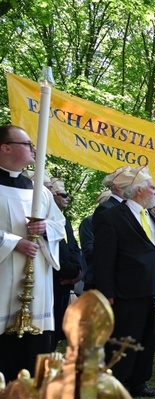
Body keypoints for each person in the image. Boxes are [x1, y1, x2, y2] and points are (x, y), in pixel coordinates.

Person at [94, 166, 155, 397]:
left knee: (147, 340)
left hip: (153, 289)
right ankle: (117, 386)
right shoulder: (109, 216)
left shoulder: (152, 216)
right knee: (123, 342)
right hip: (126, 292)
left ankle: (139, 382)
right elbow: (103, 258)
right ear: (139, 190)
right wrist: (106, 291)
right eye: (152, 187)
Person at [0, 125, 65, 381]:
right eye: (27, 144)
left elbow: (59, 225)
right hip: (4, 274)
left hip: (37, 278)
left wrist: (45, 227)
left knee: (35, 347)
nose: (33, 149)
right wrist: (12, 242)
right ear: (5, 148)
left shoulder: (39, 190)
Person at [50, 178, 83, 347]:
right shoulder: (45, 219)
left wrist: (78, 273)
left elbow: (74, 248)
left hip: (67, 281)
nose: (67, 198)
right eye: (63, 194)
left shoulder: (66, 221)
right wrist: (68, 272)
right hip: (55, 280)